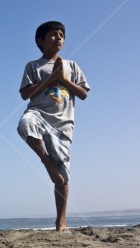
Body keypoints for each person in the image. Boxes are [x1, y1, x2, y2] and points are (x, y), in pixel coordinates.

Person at [17, 21, 90, 232]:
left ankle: (61, 221)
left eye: (61, 35)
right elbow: (24, 94)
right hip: (39, 113)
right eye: (53, 34)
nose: (58, 37)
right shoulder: (33, 66)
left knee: (63, 175)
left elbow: (83, 94)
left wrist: (63, 79)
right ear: (40, 41)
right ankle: (45, 161)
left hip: (63, 124)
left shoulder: (72, 66)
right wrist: (50, 78)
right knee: (25, 123)